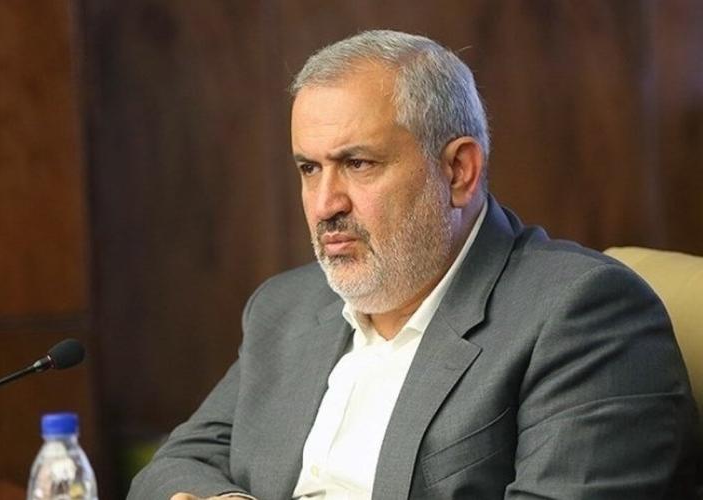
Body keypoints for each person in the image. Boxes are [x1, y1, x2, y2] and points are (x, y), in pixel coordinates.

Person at [128, 30, 700, 500]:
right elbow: (173, 465)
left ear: (458, 172)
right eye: (309, 169)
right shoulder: (286, 307)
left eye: (358, 163)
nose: (325, 204)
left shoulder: (584, 314)